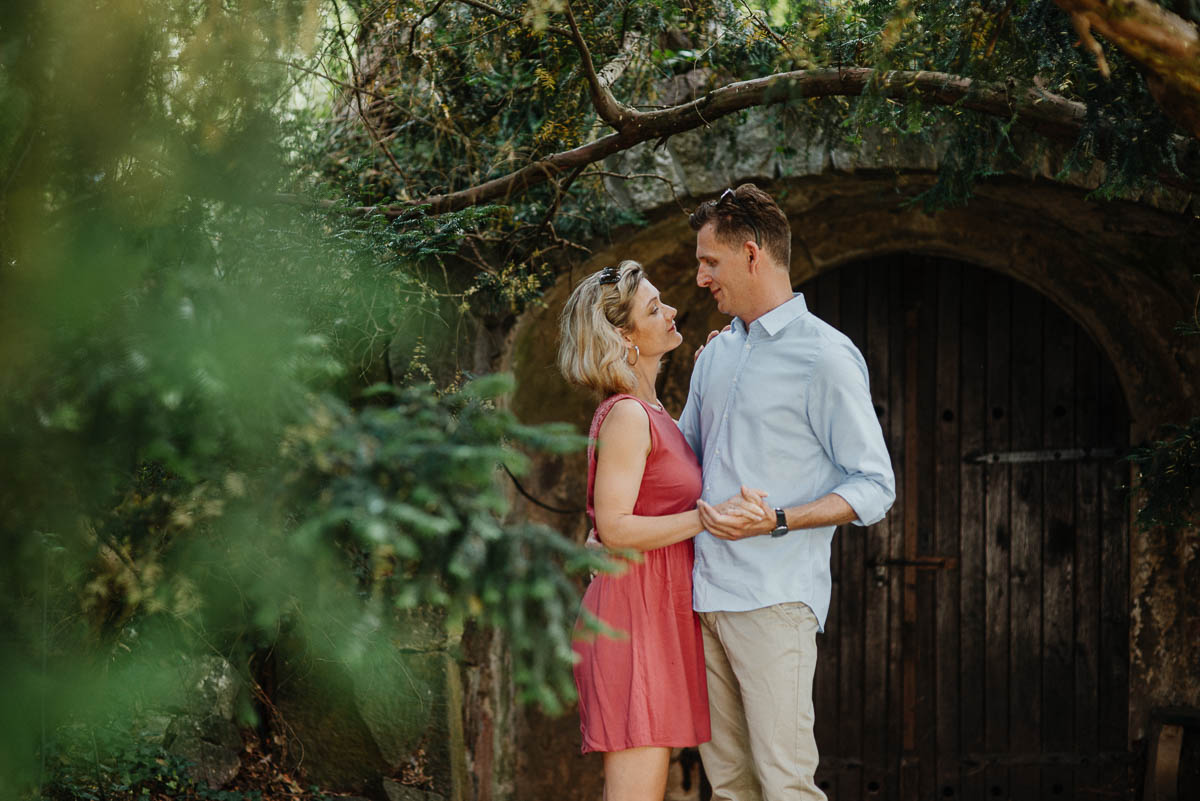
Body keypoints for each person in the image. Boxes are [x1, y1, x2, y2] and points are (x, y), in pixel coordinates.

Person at [679, 184, 897, 801]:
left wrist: (776, 519)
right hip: (702, 598)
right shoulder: (715, 354)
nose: (700, 278)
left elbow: (876, 486)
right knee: (728, 787)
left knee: (784, 786)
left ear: (752, 255)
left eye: (709, 262)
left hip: (774, 601)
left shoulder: (824, 356)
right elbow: (682, 459)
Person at [557, 260, 769, 801]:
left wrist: (716, 371)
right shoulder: (628, 414)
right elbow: (614, 527)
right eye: (654, 308)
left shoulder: (656, 413)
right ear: (623, 336)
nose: (672, 310)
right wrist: (706, 517)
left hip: (655, 616)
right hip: (632, 620)